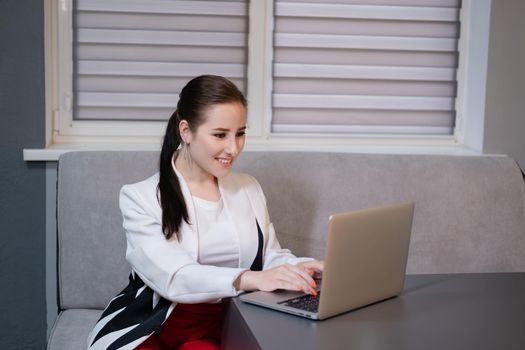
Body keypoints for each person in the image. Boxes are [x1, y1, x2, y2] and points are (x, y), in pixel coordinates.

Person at [87, 75, 324, 350]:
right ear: (186, 131)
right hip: (157, 323)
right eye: (220, 134)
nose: (233, 148)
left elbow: (269, 256)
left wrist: (301, 268)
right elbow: (173, 277)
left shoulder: (248, 188)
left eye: (240, 133)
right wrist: (249, 278)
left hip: (231, 318)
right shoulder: (140, 197)